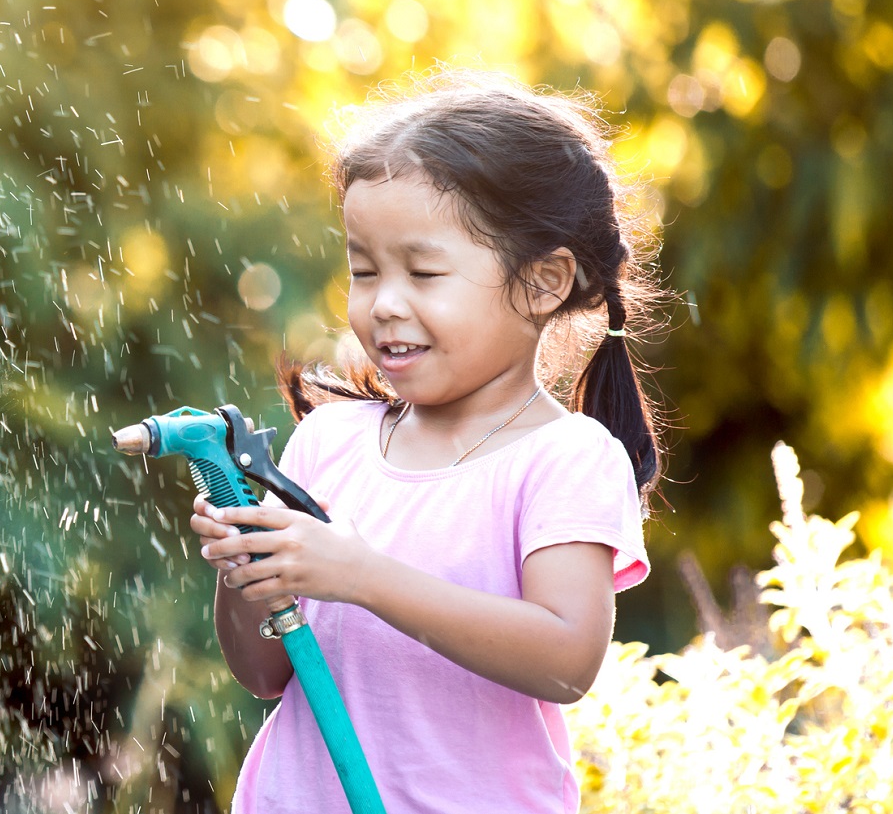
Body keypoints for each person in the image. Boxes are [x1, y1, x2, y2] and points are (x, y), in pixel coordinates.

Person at [189, 72, 656, 813]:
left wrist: (363, 575)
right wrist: (249, 568)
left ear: (543, 282)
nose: (384, 304)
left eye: (424, 271)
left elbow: (566, 658)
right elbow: (264, 670)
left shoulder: (564, 458)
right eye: (364, 270)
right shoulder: (330, 444)